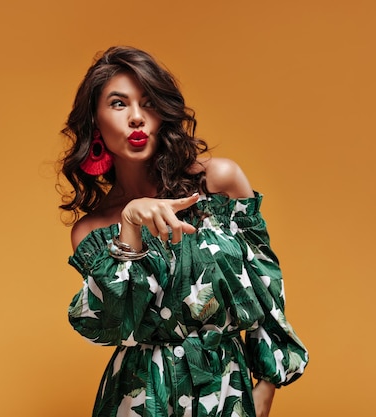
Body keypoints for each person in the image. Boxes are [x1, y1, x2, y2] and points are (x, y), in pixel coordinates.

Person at [58, 46, 308, 417]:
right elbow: (115, 325)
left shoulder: (218, 182)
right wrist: (130, 225)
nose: (138, 118)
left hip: (225, 388)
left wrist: (267, 385)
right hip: (140, 398)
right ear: (95, 122)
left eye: (148, 103)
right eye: (119, 104)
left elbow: (266, 287)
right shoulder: (93, 230)